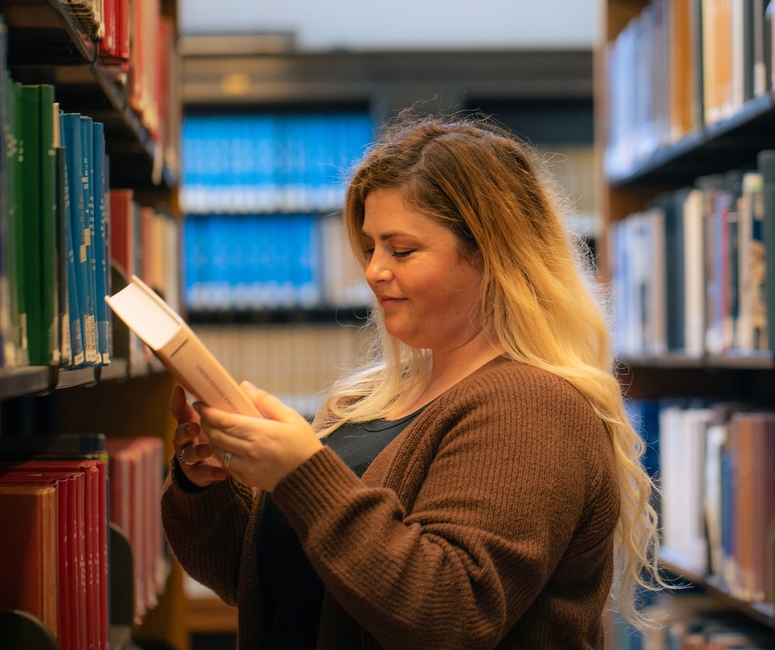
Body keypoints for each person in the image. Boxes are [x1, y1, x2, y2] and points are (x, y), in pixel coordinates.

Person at [162, 116, 663, 649]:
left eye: (401, 250)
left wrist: (302, 474)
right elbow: (272, 582)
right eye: (370, 247)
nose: (375, 270)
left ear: (491, 256)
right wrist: (211, 487)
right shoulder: (364, 401)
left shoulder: (533, 407)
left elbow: (449, 613)